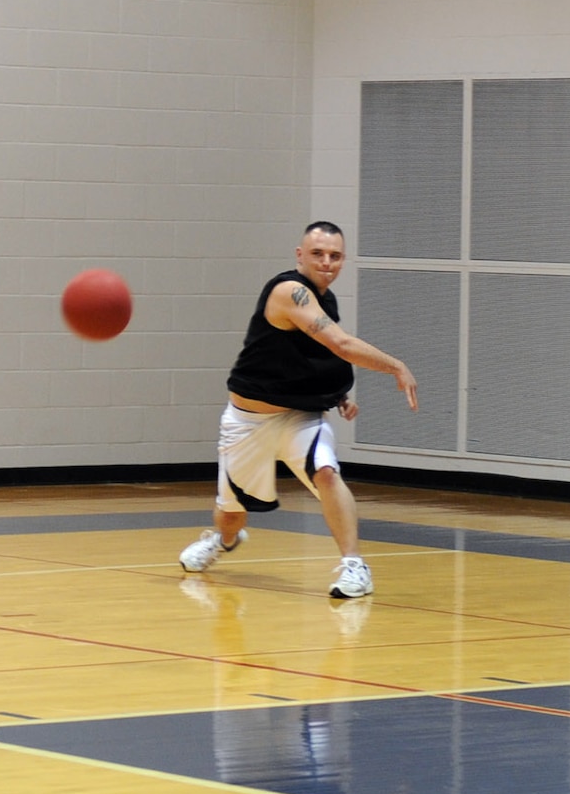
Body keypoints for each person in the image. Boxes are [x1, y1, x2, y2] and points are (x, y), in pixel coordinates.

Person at [179, 221, 418, 598]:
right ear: (299, 256)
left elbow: (319, 356)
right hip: (248, 421)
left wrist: (338, 396)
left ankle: (355, 566)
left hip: (298, 418)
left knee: (326, 472)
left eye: (335, 256)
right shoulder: (289, 291)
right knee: (231, 513)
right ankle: (223, 540)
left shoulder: (326, 300)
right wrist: (396, 365)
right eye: (318, 254)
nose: (327, 262)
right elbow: (340, 343)